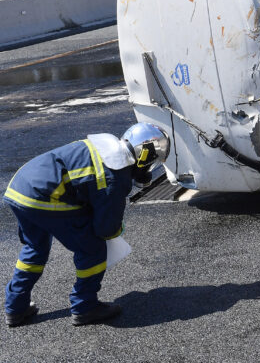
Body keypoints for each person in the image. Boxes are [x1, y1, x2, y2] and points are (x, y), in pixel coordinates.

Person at [4, 123, 170, 327]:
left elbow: (84, 184)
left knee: (35, 248)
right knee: (93, 248)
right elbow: (106, 229)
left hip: (19, 188)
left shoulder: (104, 144)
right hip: (44, 197)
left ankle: (15, 308)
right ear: (145, 155)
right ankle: (85, 307)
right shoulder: (116, 177)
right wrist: (117, 230)